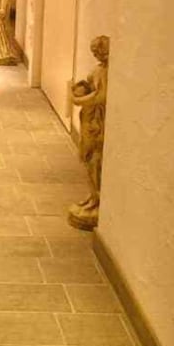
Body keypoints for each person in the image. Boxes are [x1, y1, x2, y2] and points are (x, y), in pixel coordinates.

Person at [68, 35, 110, 229]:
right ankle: (93, 196)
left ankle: (97, 200)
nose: (96, 55)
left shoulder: (106, 72)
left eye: (98, 51)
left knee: (94, 160)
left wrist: (77, 100)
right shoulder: (100, 69)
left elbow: (101, 97)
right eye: (94, 52)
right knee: (88, 158)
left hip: (97, 122)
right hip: (90, 117)